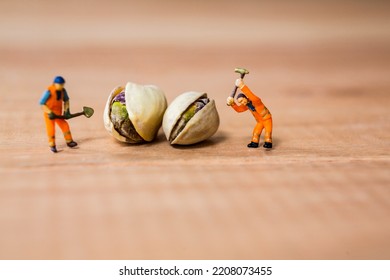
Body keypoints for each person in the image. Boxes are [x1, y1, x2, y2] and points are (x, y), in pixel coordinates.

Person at [227, 78, 273, 148]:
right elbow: (239, 110)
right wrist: (232, 104)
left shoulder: (256, 101)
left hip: (267, 119)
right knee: (256, 132)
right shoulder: (247, 105)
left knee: (268, 132)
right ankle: (254, 142)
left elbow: (250, 94)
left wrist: (242, 86)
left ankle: (268, 142)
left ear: (246, 98)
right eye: (240, 102)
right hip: (260, 121)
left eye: (242, 100)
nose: (242, 103)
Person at [39, 76, 77, 153]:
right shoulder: (49, 91)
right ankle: (52, 145)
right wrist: (49, 112)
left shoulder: (63, 91)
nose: (61, 86)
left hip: (58, 114)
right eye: (59, 84)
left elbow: (66, 101)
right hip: (49, 115)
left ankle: (69, 141)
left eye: (62, 84)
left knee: (65, 126)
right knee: (51, 129)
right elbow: (42, 103)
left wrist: (67, 111)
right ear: (55, 84)